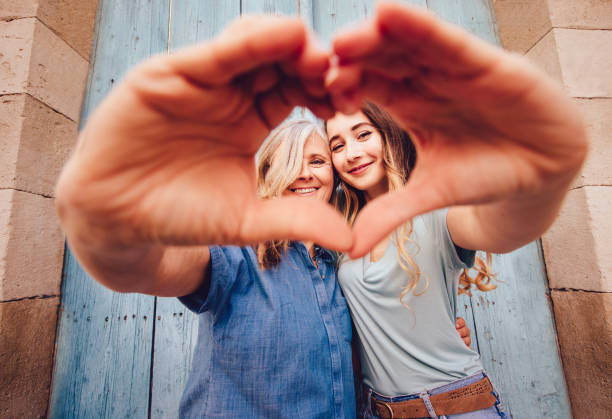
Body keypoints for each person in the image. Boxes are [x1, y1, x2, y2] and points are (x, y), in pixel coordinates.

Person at [54, 2, 587, 418]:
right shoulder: (244, 255)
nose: (321, 165)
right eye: (306, 156)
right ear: (265, 175)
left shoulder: (378, 237)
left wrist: (536, 183)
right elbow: (149, 267)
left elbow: (499, 226)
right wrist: (110, 224)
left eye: (325, 154)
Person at [319, 3, 588, 418]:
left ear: (388, 134)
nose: (351, 153)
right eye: (337, 144)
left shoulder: (434, 215)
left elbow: (506, 224)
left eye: (362, 133)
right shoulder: (342, 232)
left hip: (452, 409)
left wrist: (548, 168)